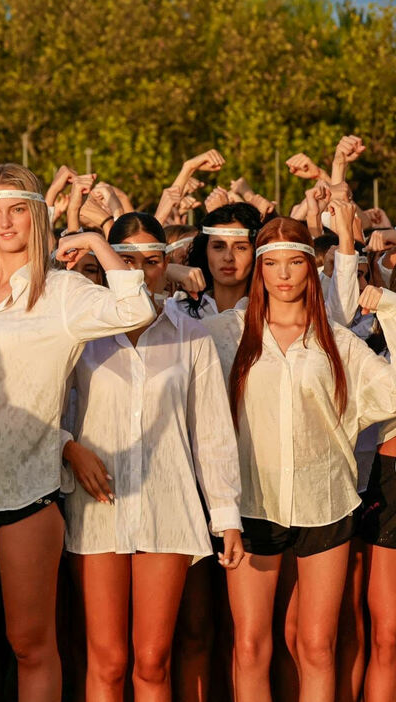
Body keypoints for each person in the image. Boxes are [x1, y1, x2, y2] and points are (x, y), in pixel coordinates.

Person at [0, 164, 155, 702]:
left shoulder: (65, 292)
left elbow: (136, 306)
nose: (4, 224)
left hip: (27, 484)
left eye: (18, 210)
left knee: (30, 642)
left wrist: (95, 238)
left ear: (38, 215)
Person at [203, 214, 396, 702]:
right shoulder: (222, 336)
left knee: (317, 646)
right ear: (259, 268)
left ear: (311, 268)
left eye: (295, 262)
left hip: (325, 502)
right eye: (272, 263)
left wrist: (391, 310)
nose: (284, 274)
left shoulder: (338, 340)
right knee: (249, 647)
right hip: (250, 504)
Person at [61, 213, 244, 702]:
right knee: (107, 660)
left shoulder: (193, 336)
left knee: (152, 661)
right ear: (105, 267)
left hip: (169, 504)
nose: (142, 272)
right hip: (95, 507)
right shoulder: (79, 334)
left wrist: (226, 516)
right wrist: (68, 447)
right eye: (127, 262)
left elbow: (211, 431)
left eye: (153, 261)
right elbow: (43, 411)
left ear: (168, 266)